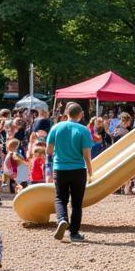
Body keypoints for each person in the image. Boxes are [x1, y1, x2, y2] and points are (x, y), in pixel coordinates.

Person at [46, 102, 94, 243]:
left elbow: (48, 150)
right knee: (77, 203)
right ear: (81, 114)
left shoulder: (56, 128)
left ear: (66, 113)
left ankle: (62, 220)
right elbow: (87, 155)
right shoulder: (84, 130)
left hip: (60, 169)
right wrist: (90, 171)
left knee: (60, 198)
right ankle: (74, 233)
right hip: (78, 169)